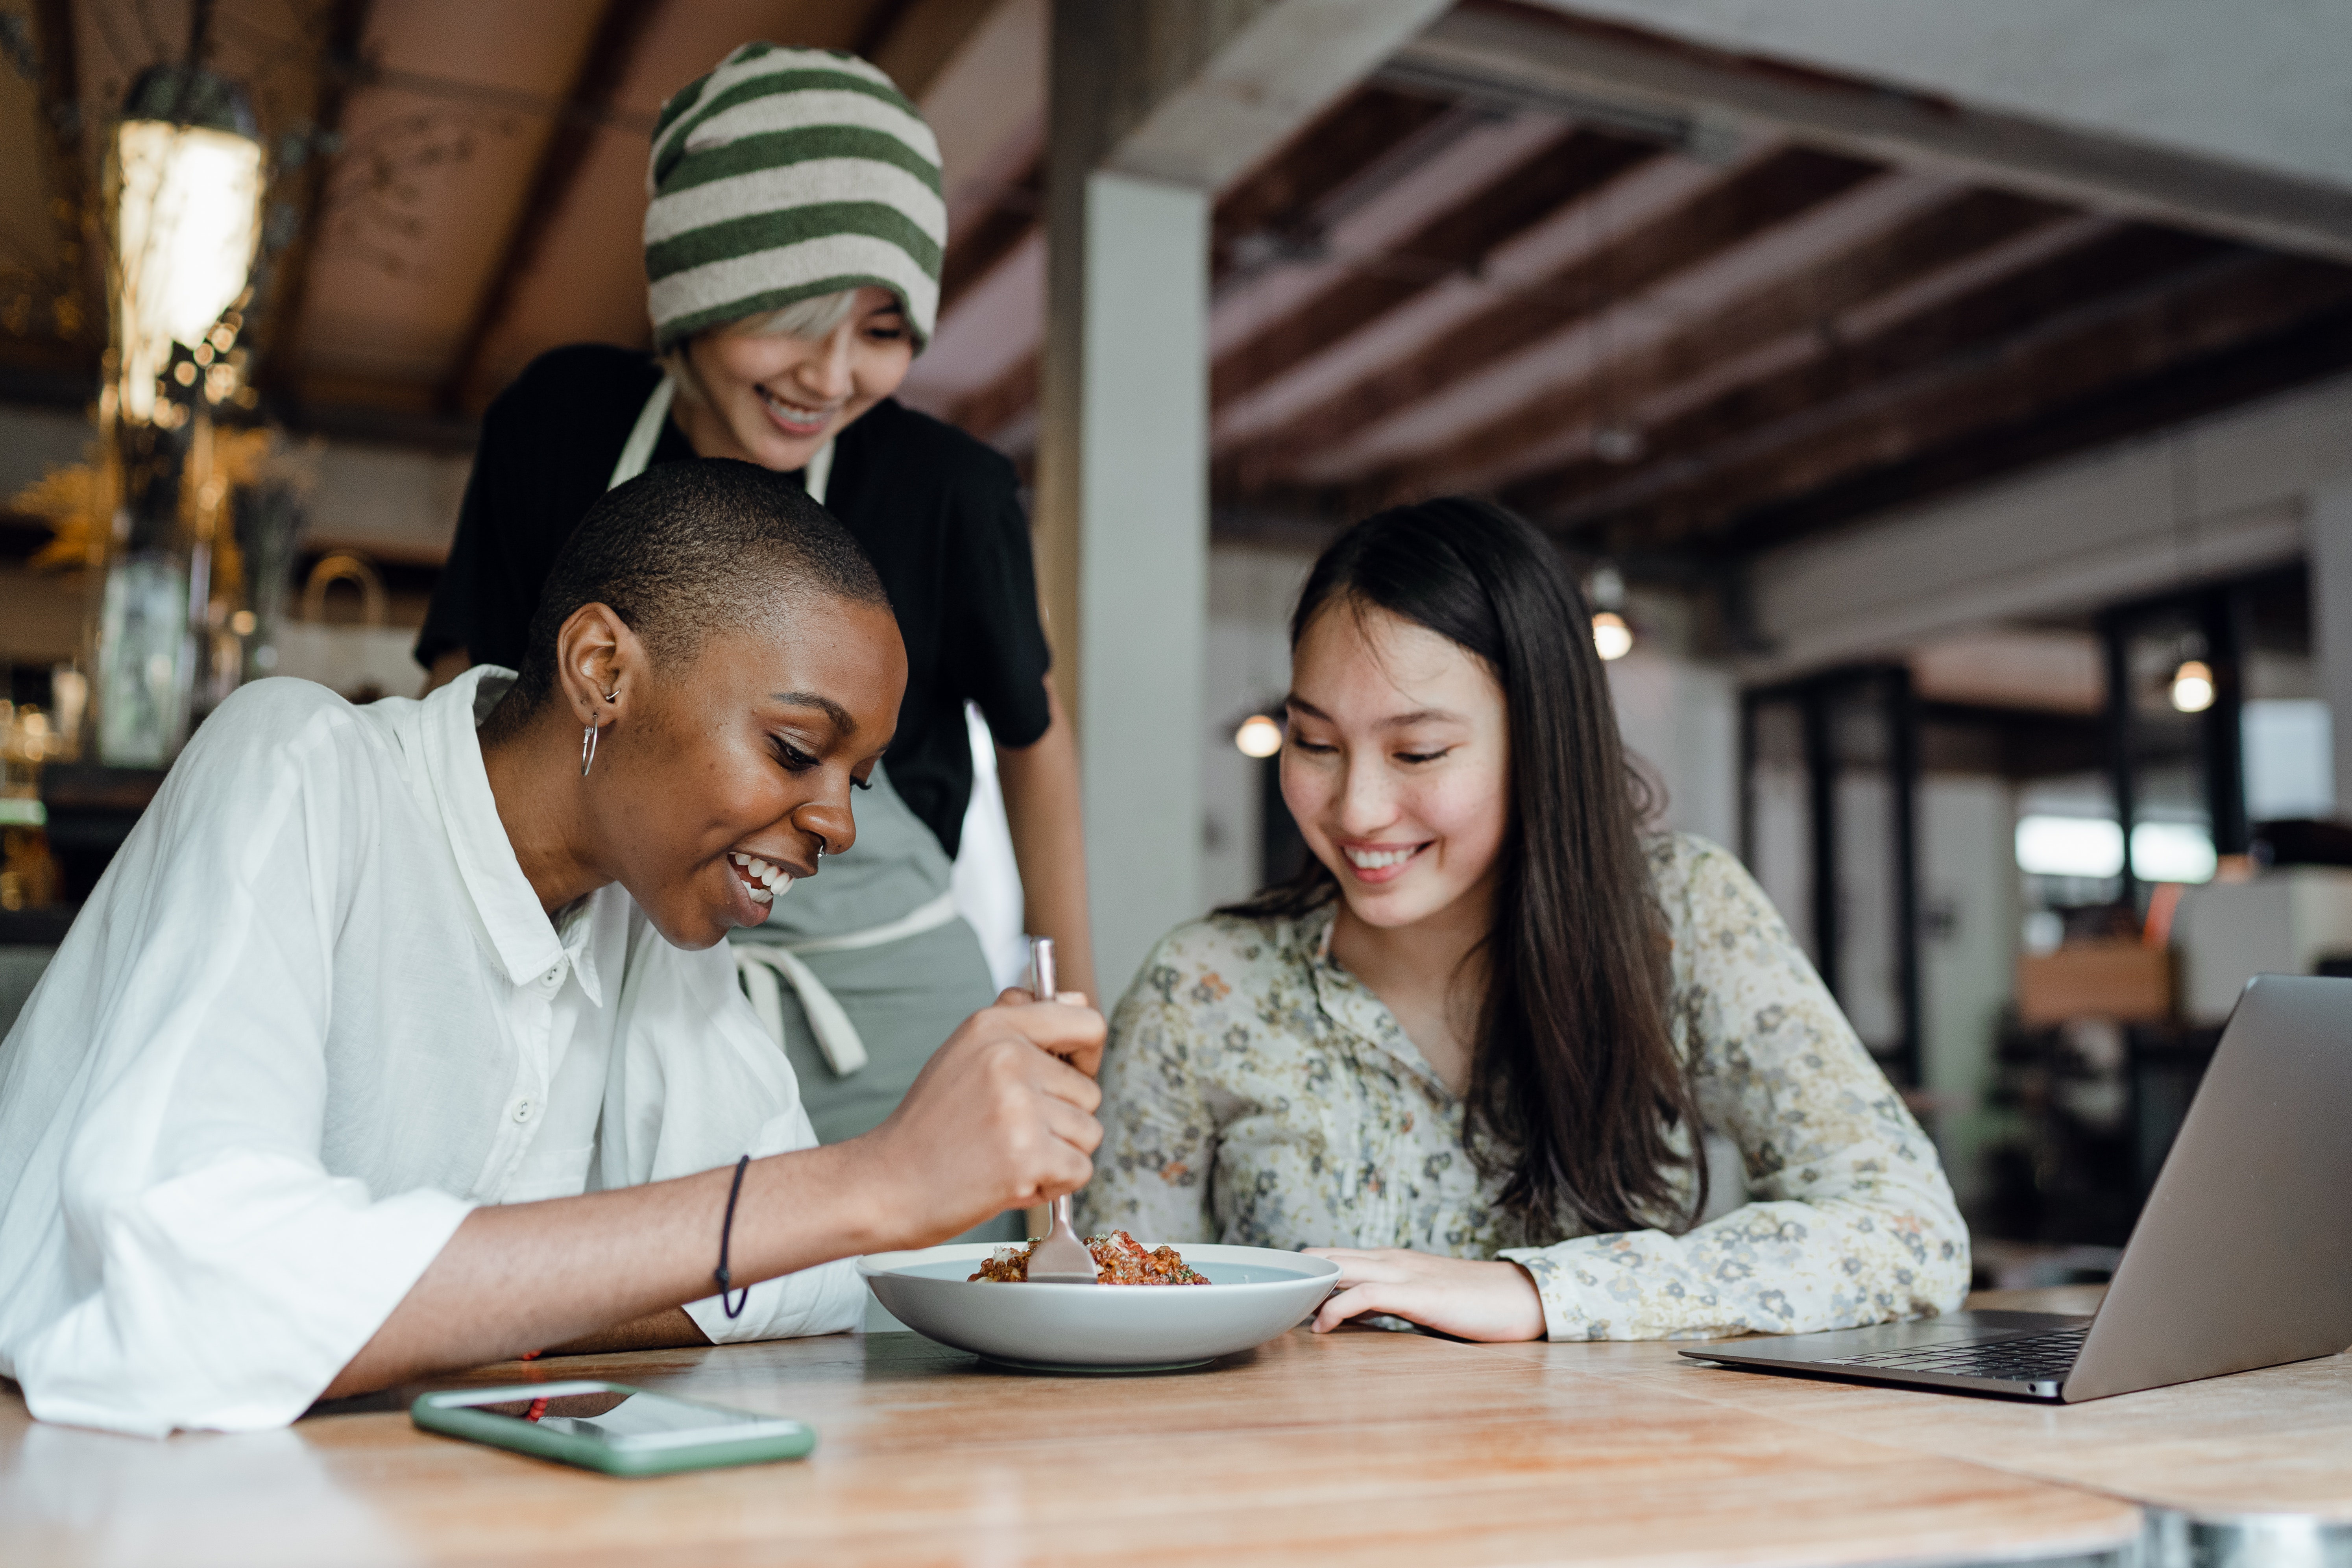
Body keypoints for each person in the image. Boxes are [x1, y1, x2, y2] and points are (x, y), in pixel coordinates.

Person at [0, 462, 1105, 1436]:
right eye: (793, 747)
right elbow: (193, 1296)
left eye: (854, 780)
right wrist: (871, 1178)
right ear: (602, 670)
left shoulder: (654, 905)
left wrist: (447, 1306)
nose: (840, 825)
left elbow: (810, 1278)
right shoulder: (299, 767)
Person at [415, 43, 1090, 1158]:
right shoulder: (557, 422)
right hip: (585, 981)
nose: (830, 378)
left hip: (874, 1020)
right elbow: (462, 703)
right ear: (693, 290)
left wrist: (1063, 1019)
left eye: (880, 333)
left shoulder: (948, 491)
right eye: (794, 316)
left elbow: (1036, 742)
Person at [1079, 498, 1967, 1342]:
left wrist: (1542, 1291)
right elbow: (1110, 1313)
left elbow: (1908, 1229)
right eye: (1315, 743)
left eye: (1417, 752)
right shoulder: (1203, 987)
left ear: (1541, 740)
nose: (1356, 809)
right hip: (1312, 1490)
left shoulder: (1681, 913)